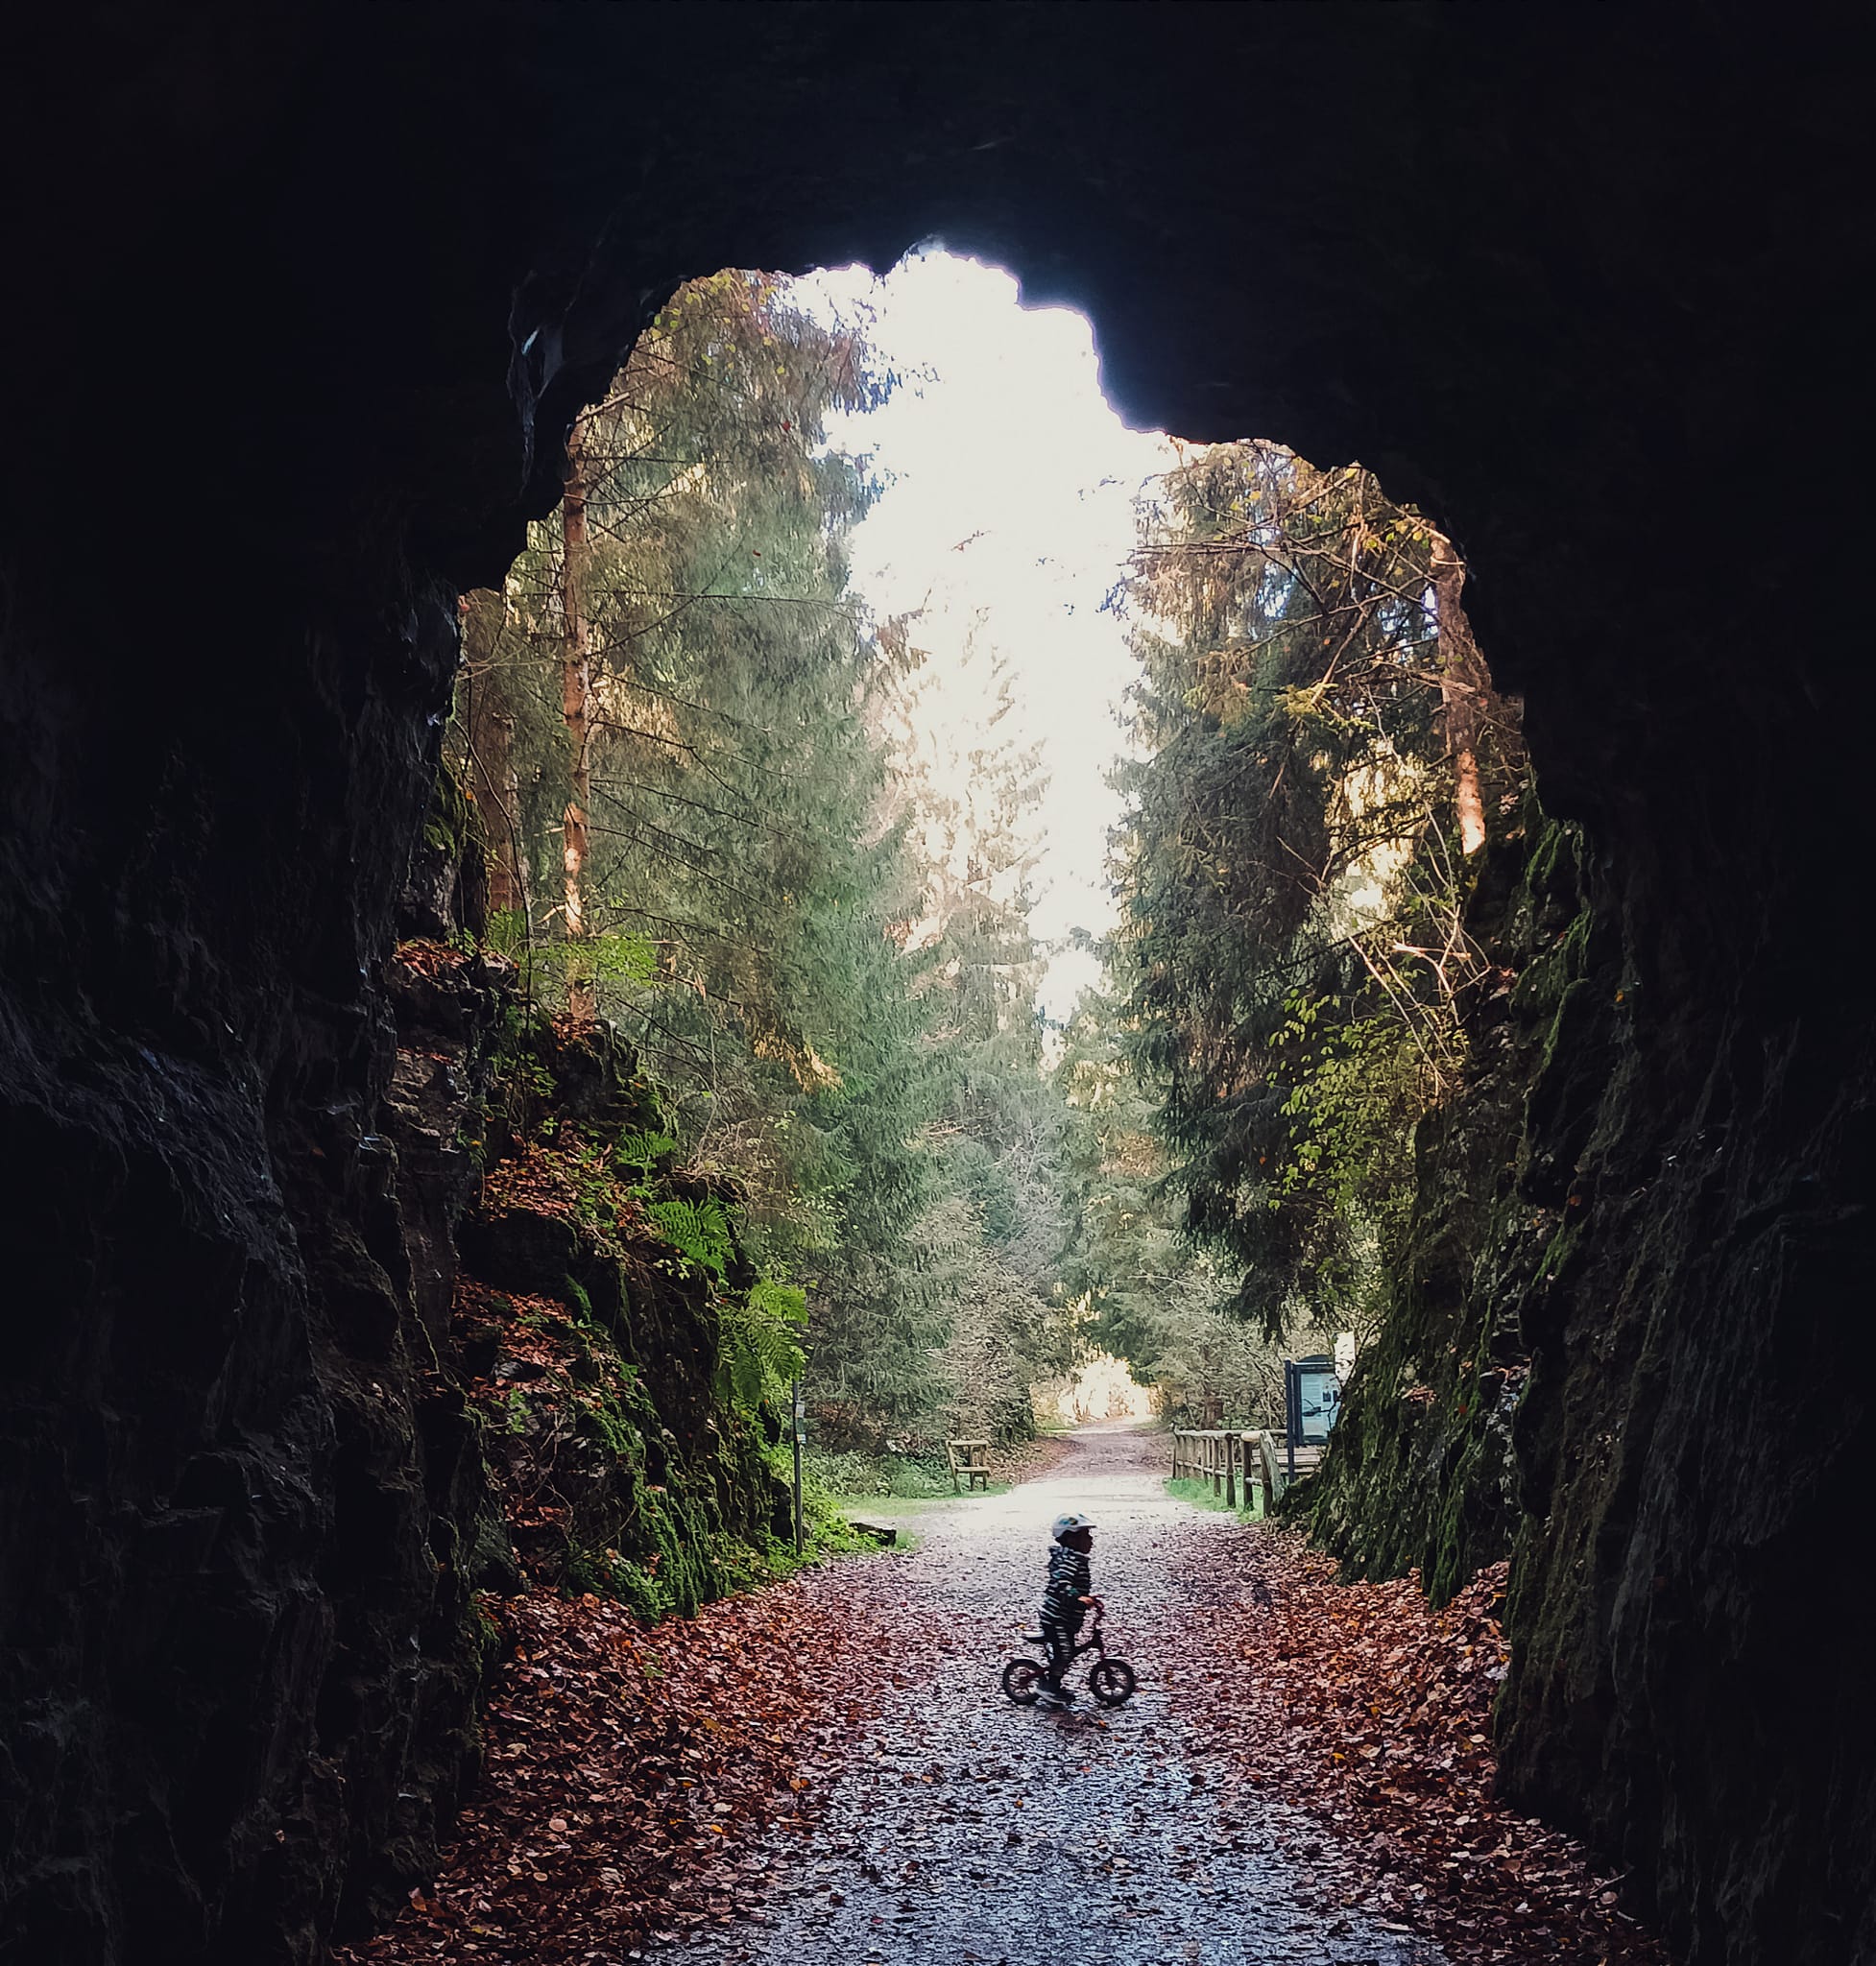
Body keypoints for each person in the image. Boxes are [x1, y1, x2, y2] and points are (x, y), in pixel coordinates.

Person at [1036, 1512, 1096, 1711]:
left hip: (1066, 1618)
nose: (1090, 1540)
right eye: (1085, 1535)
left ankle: (1054, 1681)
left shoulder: (1074, 1558)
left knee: (1067, 1650)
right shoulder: (1069, 1560)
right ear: (1071, 1538)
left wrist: (1088, 1599)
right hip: (1056, 1618)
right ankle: (1050, 1687)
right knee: (1065, 1652)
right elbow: (1061, 1584)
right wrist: (1077, 1597)